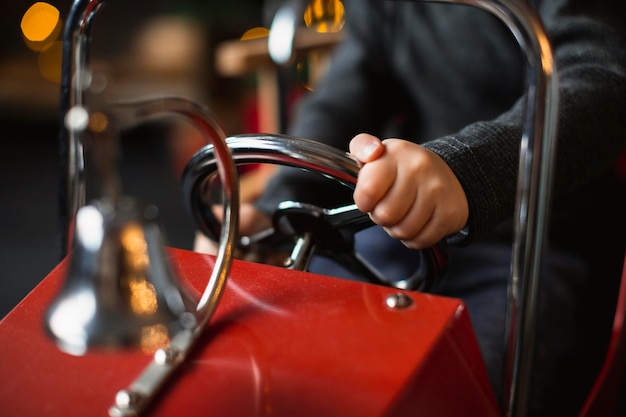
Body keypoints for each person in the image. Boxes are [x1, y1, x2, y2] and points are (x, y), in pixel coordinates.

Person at [196, 1, 626, 415]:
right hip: (400, 226)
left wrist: (466, 170)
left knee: (451, 391)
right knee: (271, 357)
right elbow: (347, 94)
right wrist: (279, 207)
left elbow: (601, 80)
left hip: (539, 240)